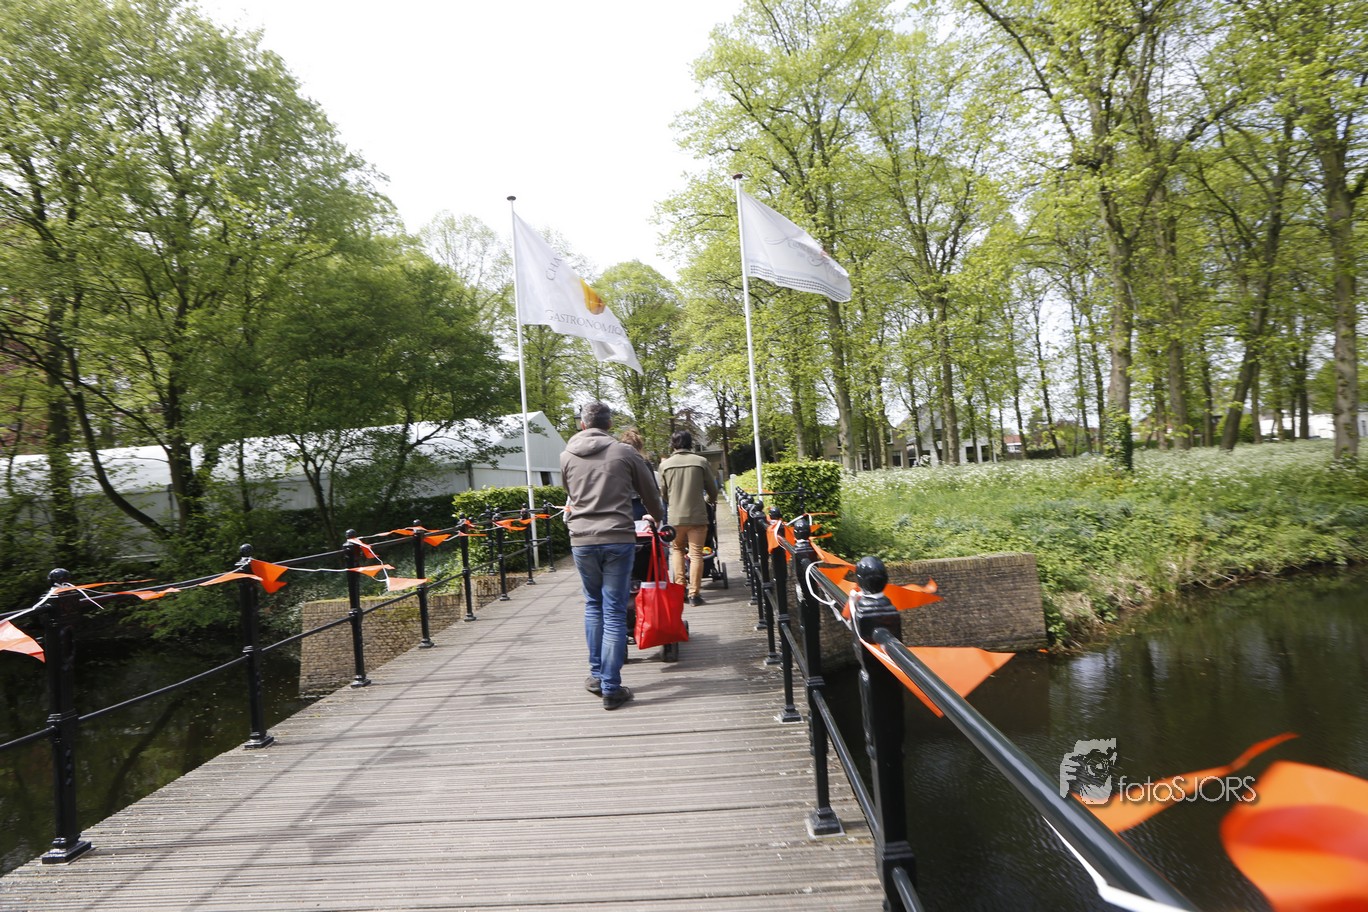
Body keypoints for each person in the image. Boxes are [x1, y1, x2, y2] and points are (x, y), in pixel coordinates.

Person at [560, 402, 665, 710]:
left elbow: (571, 494)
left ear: (582, 424)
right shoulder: (624, 452)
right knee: (615, 611)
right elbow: (650, 493)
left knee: (593, 605)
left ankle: (596, 675)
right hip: (617, 537)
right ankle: (611, 686)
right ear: (609, 425)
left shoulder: (566, 455)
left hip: (581, 539)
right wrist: (658, 517)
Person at [657, 429, 718, 607]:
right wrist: (708, 501)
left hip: (676, 517)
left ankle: (680, 589)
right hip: (698, 515)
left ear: (673, 444)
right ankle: (694, 594)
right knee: (696, 553)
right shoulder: (701, 462)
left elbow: (663, 493)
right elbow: (713, 489)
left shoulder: (665, 465)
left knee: (677, 550)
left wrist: (673, 502)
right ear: (690, 443)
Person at [617, 427, 659, 521]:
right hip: (641, 506)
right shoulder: (644, 462)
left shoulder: (619, 463)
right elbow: (653, 489)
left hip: (623, 507)